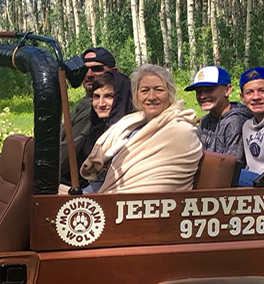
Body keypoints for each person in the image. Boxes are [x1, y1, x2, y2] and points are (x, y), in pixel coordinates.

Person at [80, 64, 202, 193]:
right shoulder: (131, 125)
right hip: (106, 194)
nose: (151, 97)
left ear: (170, 93)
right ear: (136, 95)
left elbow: (156, 184)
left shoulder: (180, 131)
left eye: (159, 90)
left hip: (141, 205)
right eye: (144, 90)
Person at [59, 47, 135, 190]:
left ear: (114, 72)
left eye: (97, 69)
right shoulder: (89, 105)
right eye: (84, 70)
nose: (89, 74)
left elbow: (70, 148)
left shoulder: (116, 108)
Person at [186, 66, 253, 173]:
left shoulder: (236, 121)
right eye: (199, 92)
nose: (203, 96)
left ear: (227, 90)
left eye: (209, 90)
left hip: (231, 181)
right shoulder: (205, 121)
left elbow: (231, 166)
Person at [74, 74, 119, 168]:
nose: (101, 104)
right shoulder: (95, 129)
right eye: (96, 97)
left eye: (109, 96)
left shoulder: (127, 132)